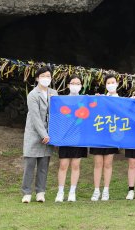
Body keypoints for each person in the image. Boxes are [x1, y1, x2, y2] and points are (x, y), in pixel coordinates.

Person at [21, 66, 56, 203]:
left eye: (48, 76)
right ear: (37, 78)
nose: (46, 78)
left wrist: (50, 134)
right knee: (30, 164)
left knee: (43, 165)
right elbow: (35, 117)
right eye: (43, 76)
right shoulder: (32, 95)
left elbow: (59, 111)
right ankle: (26, 192)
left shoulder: (54, 93)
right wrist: (43, 134)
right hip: (35, 134)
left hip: (49, 134)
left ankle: (40, 192)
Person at [55, 75, 88, 203]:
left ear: (81, 86)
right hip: (64, 138)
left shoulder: (85, 100)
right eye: (73, 83)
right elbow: (57, 118)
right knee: (63, 165)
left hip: (79, 138)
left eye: (78, 83)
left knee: (76, 165)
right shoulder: (61, 100)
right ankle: (60, 191)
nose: (75, 85)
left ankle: (72, 191)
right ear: (68, 85)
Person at [89, 74, 120, 201]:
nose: (111, 84)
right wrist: (95, 101)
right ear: (105, 85)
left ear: (117, 84)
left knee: (108, 164)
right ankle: (96, 190)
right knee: (98, 164)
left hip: (111, 136)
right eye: (108, 83)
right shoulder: (101, 98)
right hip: (98, 135)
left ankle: (106, 190)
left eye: (113, 82)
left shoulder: (121, 100)